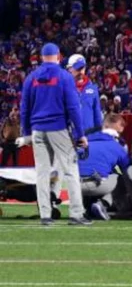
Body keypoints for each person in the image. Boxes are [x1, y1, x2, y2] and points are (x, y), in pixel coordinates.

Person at [18, 43, 90, 226]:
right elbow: (73, 108)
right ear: (58, 56)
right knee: (70, 170)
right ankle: (76, 214)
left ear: (42, 57)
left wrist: (27, 133)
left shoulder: (31, 78)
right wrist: (80, 134)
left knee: (42, 173)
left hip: (37, 130)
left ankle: (45, 216)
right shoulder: (65, 77)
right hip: (58, 128)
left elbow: (24, 109)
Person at [79, 113, 130, 221]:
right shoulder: (117, 146)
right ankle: (104, 203)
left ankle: (83, 208)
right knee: (124, 178)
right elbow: (127, 170)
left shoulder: (84, 140)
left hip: (76, 186)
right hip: (98, 184)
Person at [67, 54, 103, 136]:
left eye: (82, 68)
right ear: (69, 69)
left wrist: (99, 134)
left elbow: (97, 115)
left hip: (89, 136)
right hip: (70, 137)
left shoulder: (93, 89)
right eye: (77, 68)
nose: (80, 71)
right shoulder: (64, 89)